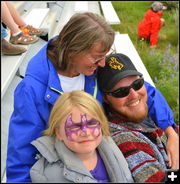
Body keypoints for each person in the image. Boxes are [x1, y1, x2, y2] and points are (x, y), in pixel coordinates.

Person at [6, 12, 177, 182]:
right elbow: (21, 151)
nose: (103, 64)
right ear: (73, 50)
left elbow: (145, 90)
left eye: (104, 56)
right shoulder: (31, 89)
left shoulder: (93, 67)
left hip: (105, 157)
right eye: (97, 58)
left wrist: (171, 131)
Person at [97, 53, 179, 182]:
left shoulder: (148, 118)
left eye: (137, 83)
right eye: (121, 92)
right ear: (106, 98)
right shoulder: (125, 139)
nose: (134, 95)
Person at [30, 90, 133, 183]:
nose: (86, 132)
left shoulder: (111, 146)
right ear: (58, 133)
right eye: (75, 126)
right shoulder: (47, 176)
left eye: (92, 123)